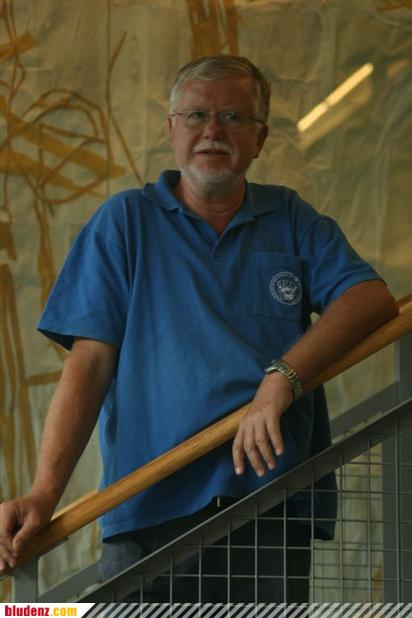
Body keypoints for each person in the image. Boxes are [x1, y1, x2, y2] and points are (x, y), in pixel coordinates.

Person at [0, 55, 398, 602]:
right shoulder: (126, 222)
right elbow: (88, 365)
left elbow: (370, 298)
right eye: (196, 115)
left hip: (268, 500)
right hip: (147, 506)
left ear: (260, 138)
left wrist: (280, 379)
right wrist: (45, 494)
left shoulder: (290, 217)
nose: (213, 130)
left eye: (233, 117)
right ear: (172, 130)